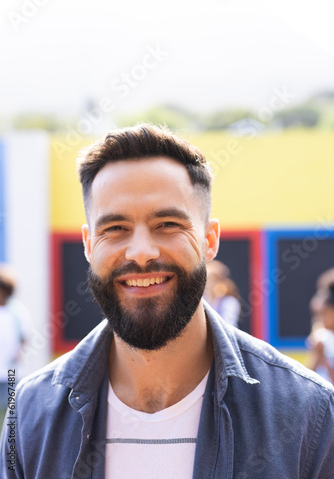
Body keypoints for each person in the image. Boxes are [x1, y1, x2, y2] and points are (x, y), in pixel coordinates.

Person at [1, 124, 334, 478]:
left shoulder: (308, 414)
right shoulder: (29, 414)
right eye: (114, 228)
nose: (141, 252)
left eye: (168, 223)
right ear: (87, 245)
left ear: (209, 240)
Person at [0, 265, 28, 430]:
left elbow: (24, 336)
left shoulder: (17, 312)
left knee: (10, 413)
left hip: (11, 371)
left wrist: (18, 353)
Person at [308, 282, 334, 383]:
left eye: (324, 313)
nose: (319, 320)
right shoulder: (322, 337)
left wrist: (323, 357)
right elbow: (309, 378)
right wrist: (318, 354)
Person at [204, 259, 241, 327]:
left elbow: (229, 326)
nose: (206, 283)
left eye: (209, 278)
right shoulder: (204, 298)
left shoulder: (229, 301)